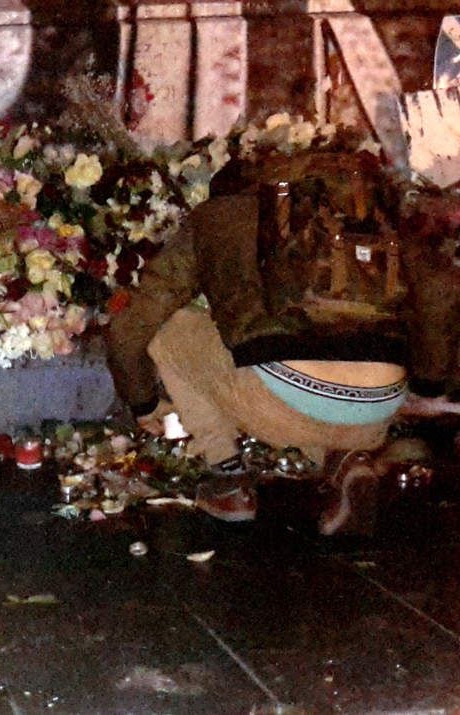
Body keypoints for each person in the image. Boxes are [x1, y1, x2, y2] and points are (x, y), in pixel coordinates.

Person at [106, 150, 459, 533]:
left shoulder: (221, 215)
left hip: (283, 406)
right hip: (378, 411)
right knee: (315, 368)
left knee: (173, 327)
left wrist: (143, 402)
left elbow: (133, 325)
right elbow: (441, 289)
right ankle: (347, 462)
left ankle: (227, 476)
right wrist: (426, 384)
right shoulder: (369, 209)